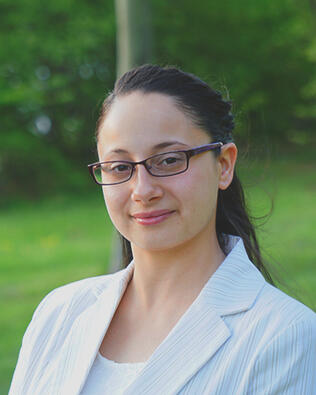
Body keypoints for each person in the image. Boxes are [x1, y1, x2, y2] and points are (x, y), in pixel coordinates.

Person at [9, 64, 316, 395]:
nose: (142, 190)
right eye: (120, 167)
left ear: (224, 164)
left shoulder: (286, 336)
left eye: (169, 160)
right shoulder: (60, 313)